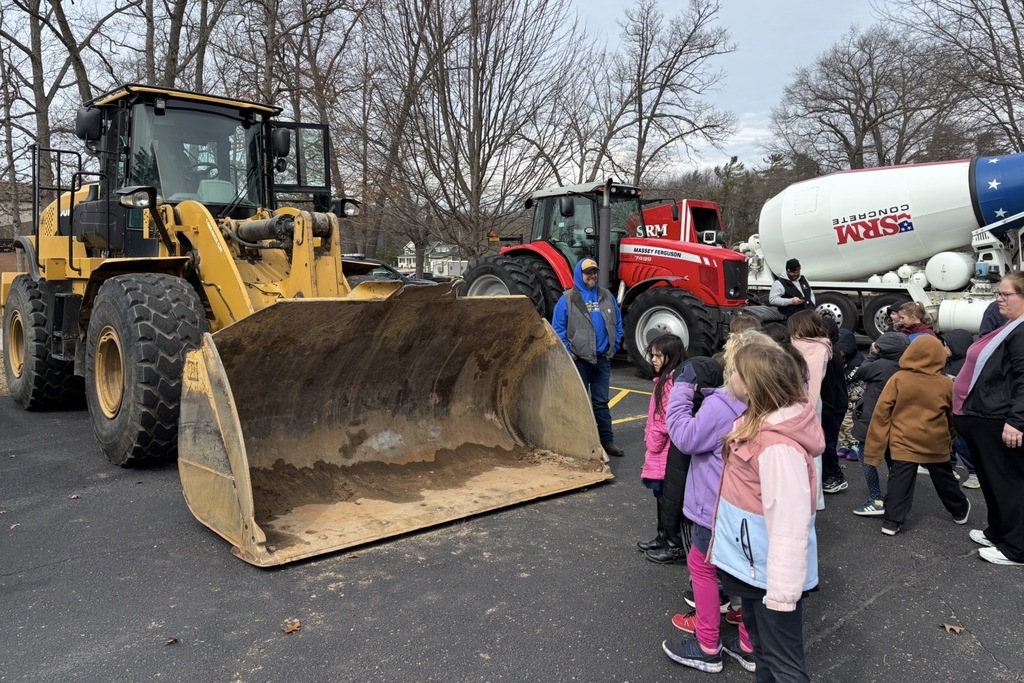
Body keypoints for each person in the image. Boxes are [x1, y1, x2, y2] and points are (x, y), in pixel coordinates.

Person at [707, 342, 823, 682]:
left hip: (769, 575)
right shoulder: (755, 424)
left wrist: (783, 594)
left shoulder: (777, 447)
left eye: (736, 372)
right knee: (763, 653)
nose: (730, 377)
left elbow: (790, 525)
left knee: (784, 665)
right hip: (753, 567)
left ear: (754, 385)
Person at [661, 331, 762, 674]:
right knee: (748, 574)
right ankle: (749, 645)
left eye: (730, 368)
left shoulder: (723, 403)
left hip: (714, 504)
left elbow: (686, 436)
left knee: (702, 567)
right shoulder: (772, 402)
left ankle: (707, 646)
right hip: (753, 505)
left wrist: (683, 390)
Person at [864, 335, 970, 536]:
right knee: (944, 478)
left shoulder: (898, 379)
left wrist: (874, 449)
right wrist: (949, 437)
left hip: (903, 440)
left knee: (900, 479)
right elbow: (954, 417)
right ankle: (959, 510)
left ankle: (892, 522)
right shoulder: (946, 384)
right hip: (935, 441)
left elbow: (881, 413)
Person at [953, 271, 1024, 566]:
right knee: (991, 482)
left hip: (998, 419)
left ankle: (1017, 548)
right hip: (980, 416)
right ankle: (998, 531)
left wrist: (1017, 420)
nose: (998, 299)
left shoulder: (1021, 332)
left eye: (1005, 294)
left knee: (1008, 483)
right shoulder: (1010, 327)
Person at [551, 258, 625, 457]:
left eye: (594, 272)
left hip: (602, 359)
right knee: (579, 403)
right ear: (579, 274)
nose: (592, 276)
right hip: (579, 361)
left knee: (601, 402)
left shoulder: (606, 296)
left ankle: (607, 442)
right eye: (588, 272)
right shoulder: (568, 298)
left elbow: (617, 322)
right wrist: (569, 352)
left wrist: (614, 346)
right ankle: (579, 445)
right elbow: (557, 328)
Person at [849, 332, 909, 517]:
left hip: (871, 421)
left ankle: (875, 499)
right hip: (895, 422)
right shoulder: (906, 367)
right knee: (893, 461)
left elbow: (857, 373)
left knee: (868, 459)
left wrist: (872, 354)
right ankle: (896, 499)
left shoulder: (879, 365)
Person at [638, 334, 686, 552]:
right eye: (653, 355)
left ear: (671, 356)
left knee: (669, 500)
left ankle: (672, 543)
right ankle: (662, 537)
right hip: (660, 451)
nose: (654, 360)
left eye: (659, 355)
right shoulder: (666, 381)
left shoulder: (670, 384)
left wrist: (653, 441)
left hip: (664, 451)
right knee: (661, 498)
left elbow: (665, 418)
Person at [788, 310, 831, 510]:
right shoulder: (824, 345)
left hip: (798, 399)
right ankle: (816, 499)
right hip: (817, 400)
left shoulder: (796, 346)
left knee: (794, 449)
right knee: (815, 449)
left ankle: (799, 497)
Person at [941, 330, 980, 489]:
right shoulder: (950, 362)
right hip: (951, 410)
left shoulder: (963, 365)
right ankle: (950, 466)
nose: (943, 348)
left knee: (960, 443)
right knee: (948, 440)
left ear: (956, 346)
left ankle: (974, 472)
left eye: (946, 345)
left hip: (961, 411)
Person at [819, 319, 850, 494]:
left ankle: (836, 476)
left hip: (834, 405)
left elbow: (830, 386)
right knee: (827, 442)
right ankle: (827, 475)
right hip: (835, 403)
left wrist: (827, 409)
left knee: (828, 443)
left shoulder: (829, 354)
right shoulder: (832, 350)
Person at [836, 328, 865, 461]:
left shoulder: (857, 362)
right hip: (842, 393)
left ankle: (855, 444)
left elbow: (848, 377)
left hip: (853, 394)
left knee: (849, 420)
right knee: (840, 421)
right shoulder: (838, 358)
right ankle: (844, 444)